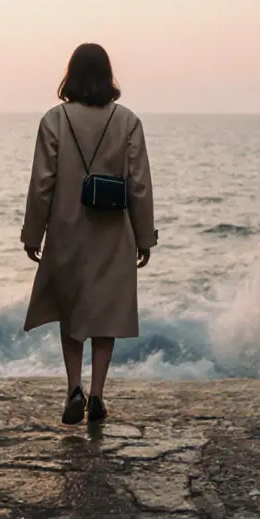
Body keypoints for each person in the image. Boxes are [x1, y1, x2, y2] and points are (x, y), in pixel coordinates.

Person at [21, 42, 158, 425]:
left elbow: (41, 184)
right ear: (107, 75)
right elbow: (140, 185)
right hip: (113, 233)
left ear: (72, 75)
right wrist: (145, 237)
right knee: (105, 313)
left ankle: (73, 388)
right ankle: (97, 393)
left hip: (67, 230)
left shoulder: (54, 121)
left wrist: (33, 233)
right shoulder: (128, 122)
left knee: (72, 311)